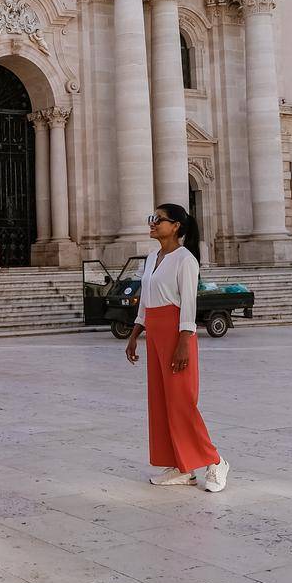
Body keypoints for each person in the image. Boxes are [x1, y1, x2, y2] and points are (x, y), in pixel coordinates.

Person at [126, 204, 229, 492]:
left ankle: (215, 461)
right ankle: (181, 467)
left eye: (159, 220)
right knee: (160, 402)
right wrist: (136, 332)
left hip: (177, 333)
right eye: (152, 218)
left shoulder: (185, 260)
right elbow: (146, 299)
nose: (153, 223)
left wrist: (184, 341)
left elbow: (189, 303)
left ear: (176, 227)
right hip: (155, 333)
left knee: (182, 402)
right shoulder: (151, 258)